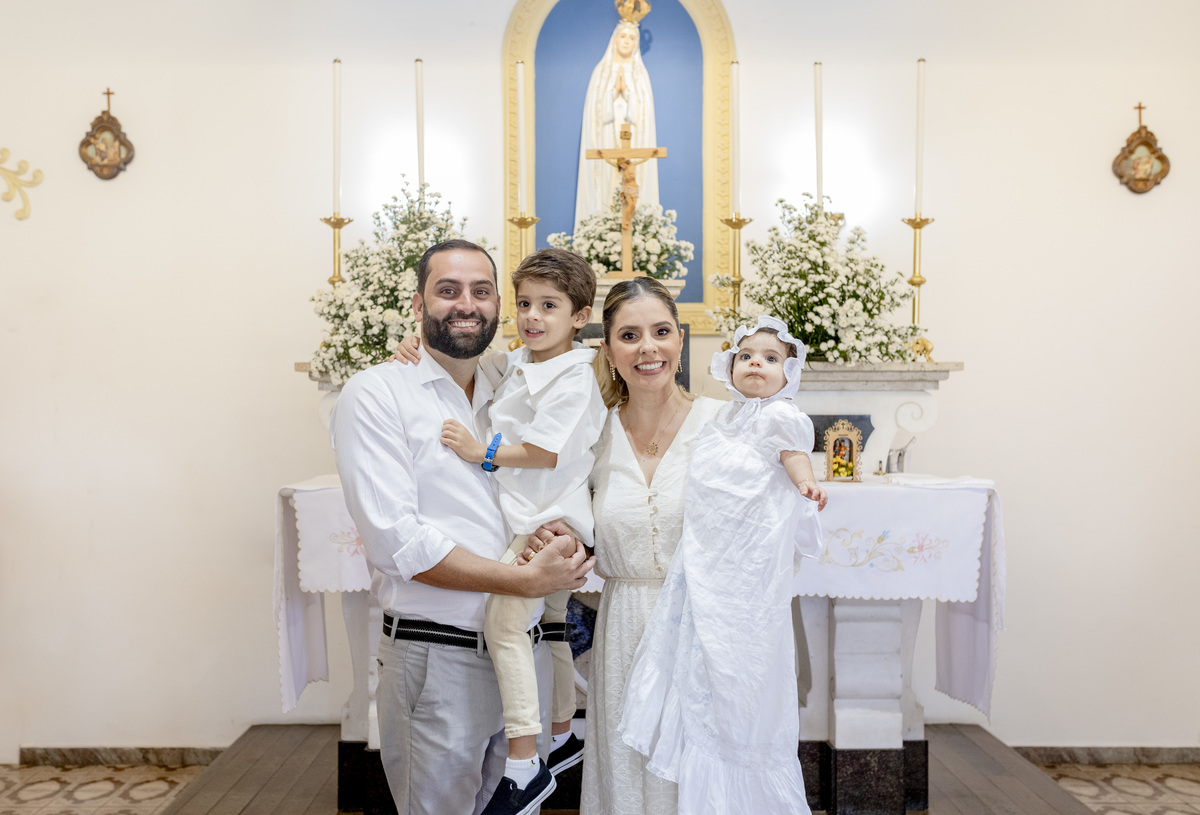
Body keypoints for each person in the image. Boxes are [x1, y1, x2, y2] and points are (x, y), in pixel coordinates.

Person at [331, 239, 594, 815]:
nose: (466, 304)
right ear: (419, 302)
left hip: (522, 653)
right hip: (438, 661)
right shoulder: (378, 393)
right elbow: (397, 542)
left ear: (498, 303)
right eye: (447, 291)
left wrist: (555, 536)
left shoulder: (515, 381)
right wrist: (520, 580)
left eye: (481, 291)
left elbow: (551, 474)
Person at [414, 248, 608, 814]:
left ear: (580, 316)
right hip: (535, 513)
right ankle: (561, 733)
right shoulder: (521, 361)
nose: (532, 317)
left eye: (549, 306)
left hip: (546, 519)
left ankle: (525, 763)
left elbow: (545, 451)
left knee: (503, 624)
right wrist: (411, 342)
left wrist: (482, 451)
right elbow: (467, 361)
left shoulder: (574, 377)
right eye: (524, 304)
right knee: (552, 626)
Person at [617, 316, 827, 815]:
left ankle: (747, 784)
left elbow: (794, 456)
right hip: (707, 556)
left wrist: (805, 482)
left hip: (747, 565)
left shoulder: (782, 416)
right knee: (700, 662)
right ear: (729, 367)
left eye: (771, 359)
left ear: (788, 374)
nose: (756, 364)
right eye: (746, 356)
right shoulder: (723, 420)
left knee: (738, 666)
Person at [577, 277, 723, 815]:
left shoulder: (723, 425)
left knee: (699, 771)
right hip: (624, 627)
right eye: (630, 335)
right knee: (628, 770)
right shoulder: (591, 435)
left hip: (704, 628)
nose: (648, 348)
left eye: (661, 332)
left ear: (680, 340)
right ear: (608, 349)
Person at [576, 13, 659, 231]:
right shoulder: (601, 72)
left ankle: (635, 227)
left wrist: (628, 94)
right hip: (606, 137)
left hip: (633, 138)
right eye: (623, 36)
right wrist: (614, 94)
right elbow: (597, 113)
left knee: (631, 183)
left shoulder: (640, 74)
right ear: (614, 39)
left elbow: (642, 116)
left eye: (632, 38)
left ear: (636, 43)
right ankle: (602, 227)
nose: (627, 41)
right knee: (605, 183)